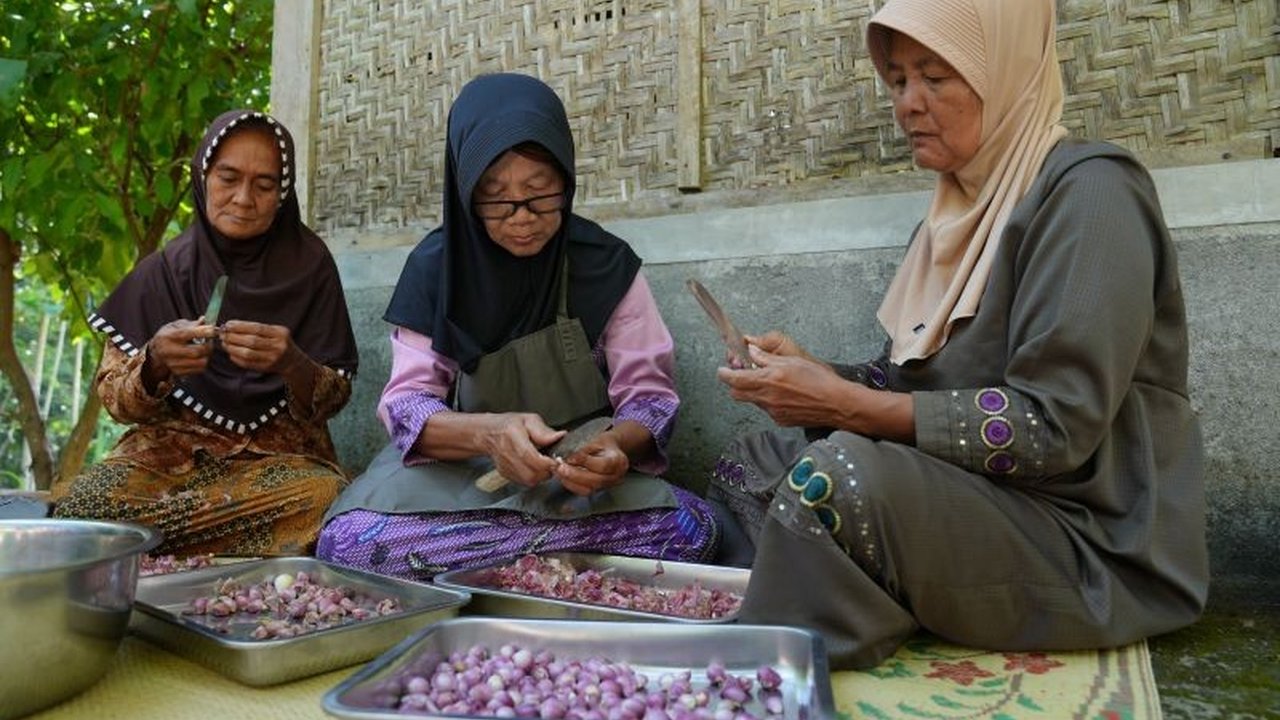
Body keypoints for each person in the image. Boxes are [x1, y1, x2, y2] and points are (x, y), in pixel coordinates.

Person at [708, 0, 1208, 670]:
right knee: (753, 459)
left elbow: (1053, 428)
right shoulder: (958, 214)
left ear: (1004, 73)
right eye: (898, 81)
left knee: (837, 480)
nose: (908, 104)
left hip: (1086, 538)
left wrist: (844, 407)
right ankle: (864, 594)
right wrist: (825, 377)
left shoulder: (1092, 197)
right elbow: (915, 384)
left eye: (935, 77)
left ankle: (797, 633)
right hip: (981, 501)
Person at [316, 73, 718, 579]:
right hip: (459, 480)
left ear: (566, 181)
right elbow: (406, 406)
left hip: (578, 487)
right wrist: (489, 435)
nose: (522, 216)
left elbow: (650, 399)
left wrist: (617, 447)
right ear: (465, 193)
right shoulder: (435, 268)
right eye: (496, 197)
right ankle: (556, 568)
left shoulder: (607, 266)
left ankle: (487, 568)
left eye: (539, 191)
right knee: (348, 544)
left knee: (691, 528)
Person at [51, 110, 359, 557]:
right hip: (166, 468)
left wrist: (292, 363)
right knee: (85, 505)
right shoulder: (163, 272)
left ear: (282, 193)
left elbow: (335, 398)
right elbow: (116, 401)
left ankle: (157, 547)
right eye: (228, 178)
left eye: (264, 185)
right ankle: (234, 549)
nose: (243, 198)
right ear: (203, 176)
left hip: (278, 469)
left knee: (328, 501)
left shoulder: (310, 266)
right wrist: (155, 362)